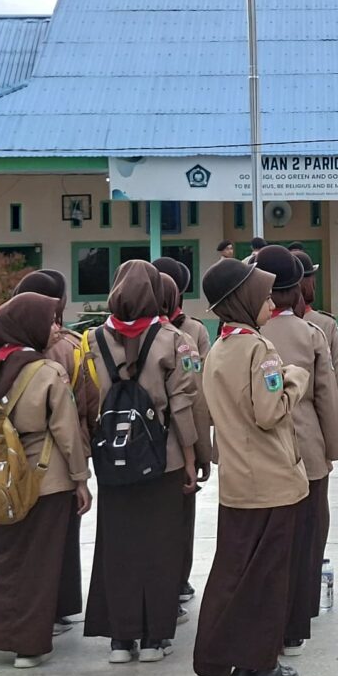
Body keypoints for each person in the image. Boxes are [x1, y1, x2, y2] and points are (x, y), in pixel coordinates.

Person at [191, 256, 309, 676]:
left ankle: (238, 669)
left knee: (236, 575)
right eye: (262, 296)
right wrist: (295, 379)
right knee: (268, 578)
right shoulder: (259, 350)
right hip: (272, 481)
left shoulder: (218, 350)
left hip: (237, 482)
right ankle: (263, 667)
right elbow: (270, 411)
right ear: (243, 300)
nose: (270, 303)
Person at [77, 261, 202, 664]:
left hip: (112, 457)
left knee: (117, 546)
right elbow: (182, 405)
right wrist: (191, 457)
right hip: (162, 457)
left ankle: (120, 638)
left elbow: (85, 402)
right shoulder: (174, 340)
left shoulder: (91, 340)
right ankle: (153, 639)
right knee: (160, 546)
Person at [0, 291, 91, 668]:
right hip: (45, 479)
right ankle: (28, 646)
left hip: (0, 478)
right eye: (49, 321)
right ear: (29, 326)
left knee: (3, 561)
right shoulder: (48, 372)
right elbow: (66, 432)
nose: (55, 328)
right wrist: (81, 479)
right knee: (39, 564)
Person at [253, 246, 338, 657]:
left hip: (260, 451)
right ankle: (300, 615)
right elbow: (327, 394)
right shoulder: (312, 332)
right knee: (308, 532)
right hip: (306, 448)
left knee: (268, 539)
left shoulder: (246, 337)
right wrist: (332, 446)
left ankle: (268, 617)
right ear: (297, 288)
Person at [298, 251, 338, 637]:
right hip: (313, 435)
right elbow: (334, 385)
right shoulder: (322, 326)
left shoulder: (259, 328)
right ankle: (308, 583)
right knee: (315, 513)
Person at [155, 255, 212, 606]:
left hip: (129, 445)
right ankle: (176, 581)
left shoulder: (113, 333)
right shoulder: (191, 333)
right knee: (178, 515)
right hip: (178, 442)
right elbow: (196, 397)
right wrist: (201, 451)